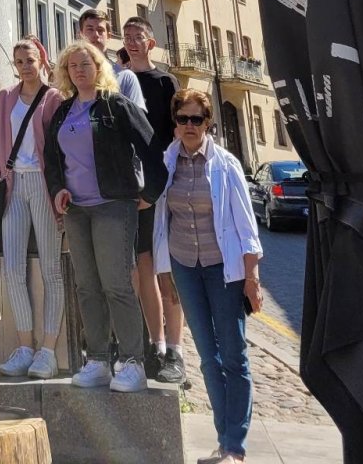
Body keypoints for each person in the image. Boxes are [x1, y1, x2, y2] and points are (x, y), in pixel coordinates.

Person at [43, 40, 166, 394]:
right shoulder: (63, 112)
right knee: (87, 287)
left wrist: (148, 195)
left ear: (98, 68)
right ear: (66, 73)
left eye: (86, 64)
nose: (79, 70)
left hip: (113, 205)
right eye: (73, 66)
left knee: (116, 285)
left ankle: (133, 362)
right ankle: (97, 360)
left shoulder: (116, 105)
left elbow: (153, 150)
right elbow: (52, 160)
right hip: (76, 211)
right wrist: (58, 190)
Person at [153, 90, 263, 463]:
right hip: (185, 266)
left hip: (223, 269)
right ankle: (223, 440)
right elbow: (160, 222)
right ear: (175, 123)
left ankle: (235, 446)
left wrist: (251, 277)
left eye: (196, 119)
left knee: (233, 355)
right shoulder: (167, 162)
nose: (189, 126)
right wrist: (164, 271)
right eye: (182, 119)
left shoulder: (226, 165)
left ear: (208, 123)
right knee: (207, 358)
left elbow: (247, 227)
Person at [0, 37, 64, 379]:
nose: (25, 67)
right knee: (13, 269)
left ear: (41, 59)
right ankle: (24, 346)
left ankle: (48, 350)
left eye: (29, 60)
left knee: (51, 270)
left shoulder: (54, 98)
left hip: (43, 186)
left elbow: (60, 148)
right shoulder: (6, 97)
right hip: (14, 184)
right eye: (19, 61)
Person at [122, 17, 186, 384]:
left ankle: (176, 350)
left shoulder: (165, 82)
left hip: (164, 187)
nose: (132, 42)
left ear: (151, 43)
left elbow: (177, 135)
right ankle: (154, 344)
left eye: (138, 37)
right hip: (135, 191)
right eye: (127, 37)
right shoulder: (118, 80)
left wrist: (163, 184)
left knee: (167, 272)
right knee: (141, 269)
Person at [78, 8, 146, 109]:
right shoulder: (71, 77)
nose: (95, 35)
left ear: (109, 36)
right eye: (90, 29)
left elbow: (137, 116)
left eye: (100, 30)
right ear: (81, 35)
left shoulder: (125, 77)